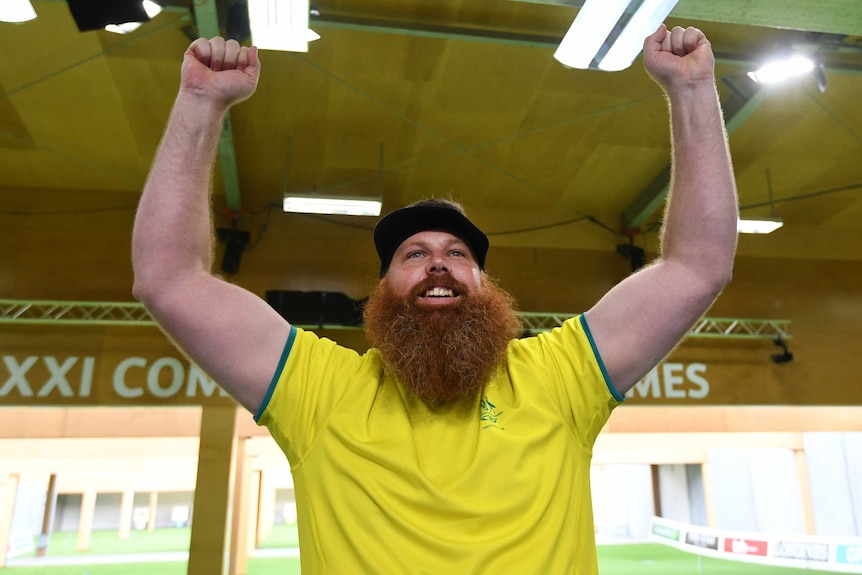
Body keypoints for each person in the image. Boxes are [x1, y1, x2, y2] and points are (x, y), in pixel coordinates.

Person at [132, 22, 737, 574]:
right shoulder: (318, 391)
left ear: (485, 286)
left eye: (458, 254)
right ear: (383, 291)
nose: (438, 264)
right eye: (413, 255)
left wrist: (692, 91)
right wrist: (200, 104)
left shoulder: (560, 377)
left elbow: (696, 266)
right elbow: (168, 280)